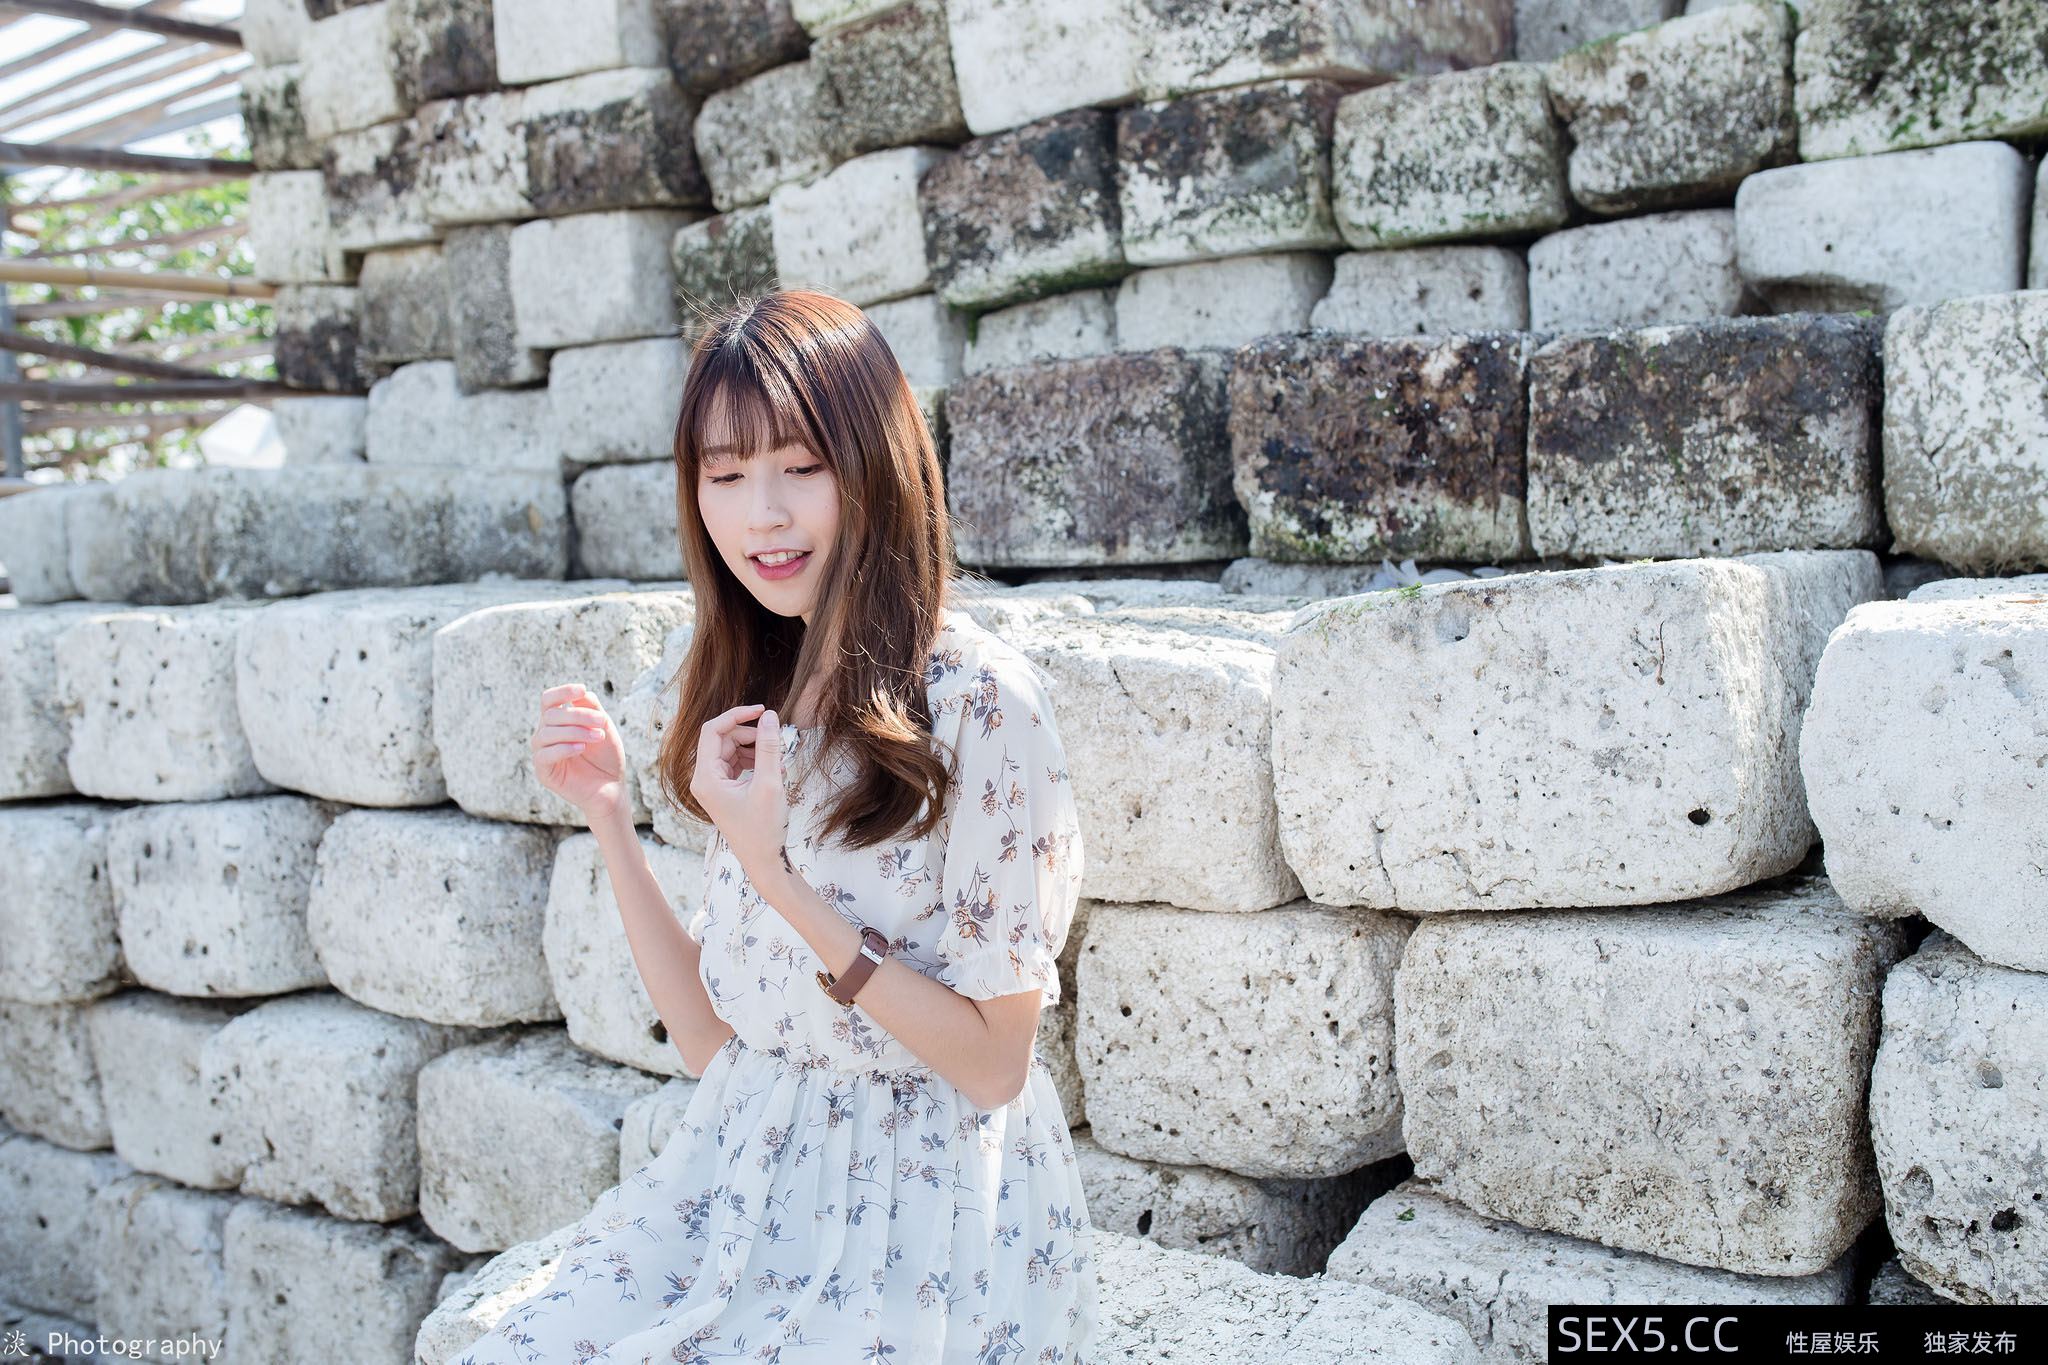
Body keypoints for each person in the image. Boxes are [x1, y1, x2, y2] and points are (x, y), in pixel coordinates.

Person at [450, 289, 1099, 1364]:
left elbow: (994, 1067)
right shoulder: (765, 689)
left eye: (800, 467)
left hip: (921, 1213)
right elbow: (718, 1042)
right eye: (724, 475)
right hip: (743, 1177)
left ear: (875, 467)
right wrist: (609, 816)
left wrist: (779, 877)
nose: (762, 515)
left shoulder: (981, 702)